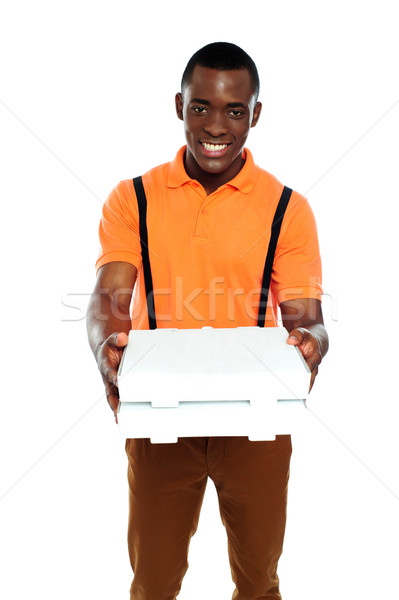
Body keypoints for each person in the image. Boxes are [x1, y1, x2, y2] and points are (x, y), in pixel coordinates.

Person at [86, 42, 329, 600]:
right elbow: (108, 299)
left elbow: (306, 318)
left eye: (234, 111)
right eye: (201, 107)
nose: (215, 126)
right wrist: (106, 349)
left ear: (256, 114)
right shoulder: (134, 199)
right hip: (159, 417)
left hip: (257, 423)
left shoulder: (288, 208)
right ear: (179, 106)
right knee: (153, 584)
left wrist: (313, 342)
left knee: (260, 582)